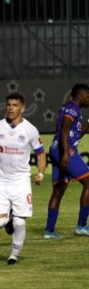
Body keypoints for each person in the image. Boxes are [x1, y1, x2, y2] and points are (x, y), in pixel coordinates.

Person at [0, 92, 46, 265]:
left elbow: (41, 153)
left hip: (21, 181)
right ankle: (9, 219)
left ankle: (13, 255)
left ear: (22, 108)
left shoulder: (30, 130)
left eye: (14, 105)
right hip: (0, 180)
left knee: (21, 222)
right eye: (8, 105)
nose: (10, 108)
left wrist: (40, 173)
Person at [43, 83, 89, 239]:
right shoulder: (72, 109)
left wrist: (87, 125)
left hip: (57, 149)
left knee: (58, 190)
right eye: (88, 96)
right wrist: (66, 154)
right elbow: (64, 130)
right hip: (65, 150)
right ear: (79, 97)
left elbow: (75, 134)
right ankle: (81, 226)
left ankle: (49, 231)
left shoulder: (70, 108)